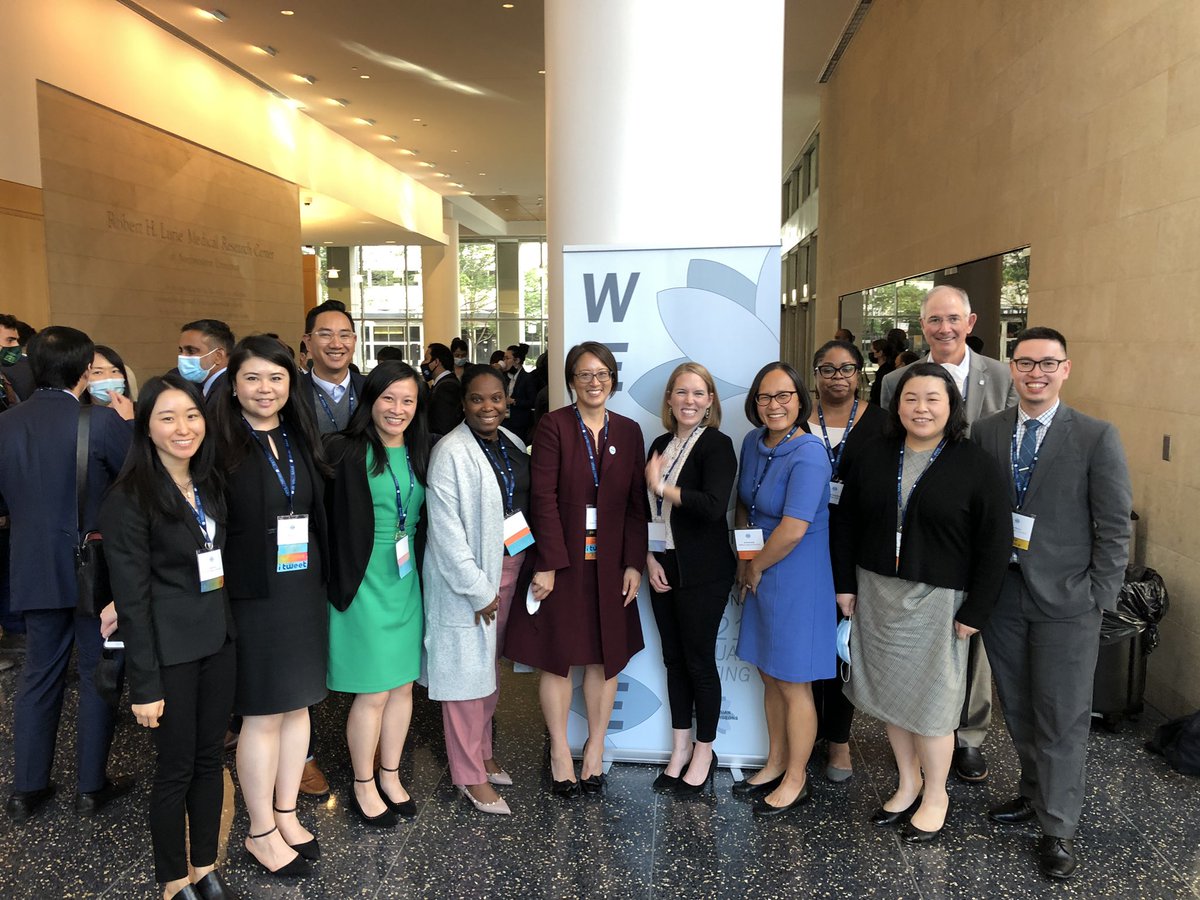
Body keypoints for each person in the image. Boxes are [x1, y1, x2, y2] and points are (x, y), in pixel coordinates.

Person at [973, 327, 1132, 880]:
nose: (1035, 373)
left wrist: (1097, 598)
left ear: (1066, 369)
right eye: (1024, 363)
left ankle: (1058, 828)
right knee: (1018, 707)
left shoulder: (1094, 435)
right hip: (1005, 597)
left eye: (1047, 363)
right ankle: (1033, 792)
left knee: (1061, 717)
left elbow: (1114, 528)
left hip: (1069, 602)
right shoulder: (987, 432)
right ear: (1010, 369)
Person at [831, 363, 1011, 843]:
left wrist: (978, 610)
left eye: (933, 398)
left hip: (940, 600)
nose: (921, 408)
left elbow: (996, 543)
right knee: (891, 696)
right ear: (898, 405)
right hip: (876, 591)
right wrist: (844, 584)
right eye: (911, 398)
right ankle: (907, 783)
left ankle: (936, 795)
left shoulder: (975, 464)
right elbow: (845, 523)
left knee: (932, 704)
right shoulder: (874, 454)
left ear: (951, 406)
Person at [100, 375, 238, 900]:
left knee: (209, 761)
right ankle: (172, 877)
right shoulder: (130, 497)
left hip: (218, 641)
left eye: (192, 415)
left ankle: (205, 866)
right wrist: (145, 683)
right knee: (175, 769)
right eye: (167, 417)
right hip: (169, 652)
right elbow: (132, 600)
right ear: (146, 427)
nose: (183, 428)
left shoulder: (209, 483)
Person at [879, 285, 1017, 783]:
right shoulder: (896, 380)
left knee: (972, 642)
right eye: (934, 319)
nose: (944, 328)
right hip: (925, 530)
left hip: (979, 515)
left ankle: (971, 736)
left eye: (953, 318)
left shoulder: (1000, 375)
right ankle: (922, 737)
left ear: (971, 320)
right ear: (923, 326)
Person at [0, 326, 134, 825]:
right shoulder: (100, 423)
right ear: (84, 373)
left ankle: (27, 788)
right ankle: (89, 788)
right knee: (98, 672)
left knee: (39, 673)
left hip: (32, 565)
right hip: (93, 570)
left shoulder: (7, 423)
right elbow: (136, 484)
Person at [505, 341, 648, 797]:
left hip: (610, 563)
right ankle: (560, 751)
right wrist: (546, 564)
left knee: (606, 660)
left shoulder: (627, 432)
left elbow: (633, 505)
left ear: (612, 379)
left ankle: (595, 749)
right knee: (559, 659)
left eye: (602, 373)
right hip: (563, 563)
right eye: (584, 374)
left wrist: (633, 562)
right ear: (571, 380)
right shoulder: (554, 426)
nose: (594, 382)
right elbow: (541, 498)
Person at [211, 335, 330, 876]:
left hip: (301, 589)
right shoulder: (218, 442)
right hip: (252, 595)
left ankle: (285, 813)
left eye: (276, 378)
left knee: (299, 706)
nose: (265, 389)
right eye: (253, 378)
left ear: (291, 382)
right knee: (261, 714)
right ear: (233, 385)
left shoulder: (299, 436)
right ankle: (259, 830)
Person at [324, 361, 430, 827]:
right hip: (362, 579)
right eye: (389, 398)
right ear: (371, 399)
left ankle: (391, 775)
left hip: (406, 581)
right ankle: (362, 784)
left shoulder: (422, 450)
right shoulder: (345, 451)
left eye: (408, 400)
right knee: (372, 692)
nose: (398, 409)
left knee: (403, 686)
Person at [423, 365, 532, 816]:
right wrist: (477, 589)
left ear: (507, 401)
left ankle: (484, 754)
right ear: (462, 403)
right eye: (476, 399)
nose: (488, 407)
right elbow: (445, 534)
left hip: (510, 567)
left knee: (488, 675)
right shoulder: (450, 451)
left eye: (496, 399)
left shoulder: (512, 442)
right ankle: (468, 775)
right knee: (466, 681)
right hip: (468, 583)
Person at [730, 362, 835, 817]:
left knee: (794, 682)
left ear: (800, 399)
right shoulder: (753, 442)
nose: (774, 405)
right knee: (769, 673)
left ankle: (797, 777)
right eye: (765, 397)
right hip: (759, 566)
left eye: (784, 396)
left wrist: (754, 569)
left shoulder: (810, 451)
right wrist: (744, 559)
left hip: (797, 575)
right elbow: (742, 505)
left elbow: (793, 529)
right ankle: (774, 762)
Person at [643, 362, 736, 795]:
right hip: (664, 566)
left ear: (711, 401)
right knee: (673, 661)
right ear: (669, 399)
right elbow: (647, 512)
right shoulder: (660, 444)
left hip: (704, 571)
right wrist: (648, 557)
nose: (690, 401)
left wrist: (663, 488)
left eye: (699, 393)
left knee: (699, 663)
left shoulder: (718, 445)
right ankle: (678, 750)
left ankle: (704, 751)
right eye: (681, 393)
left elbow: (713, 506)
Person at [805, 340, 887, 782]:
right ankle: (808, 729)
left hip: (857, 545)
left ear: (860, 373)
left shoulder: (881, 422)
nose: (837, 377)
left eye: (847, 368)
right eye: (827, 369)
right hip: (803, 542)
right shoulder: (799, 420)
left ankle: (838, 739)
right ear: (815, 374)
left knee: (843, 642)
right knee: (808, 637)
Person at [300, 300, 366, 436]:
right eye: (325, 334)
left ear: (354, 341)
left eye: (344, 335)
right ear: (308, 342)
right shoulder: (291, 392)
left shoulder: (371, 389)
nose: (336, 344)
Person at [177, 319, 234, 401]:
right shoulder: (207, 386)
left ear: (218, 356)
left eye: (191, 351)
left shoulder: (228, 392)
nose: (182, 357)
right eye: (181, 351)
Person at [422, 342, 463, 438]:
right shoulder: (442, 384)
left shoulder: (447, 388)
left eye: (426, 359)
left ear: (436, 362)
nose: (423, 363)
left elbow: (444, 427)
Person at [504, 343, 537, 443]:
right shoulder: (504, 377)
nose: (504, 362)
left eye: (507, 358)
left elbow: (532, 401)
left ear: (517, 361)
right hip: (504, 422)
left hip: (519, 424)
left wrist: (514, 401)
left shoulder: (527, 378)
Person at [85, 345, 135, 410]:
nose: (109, 378)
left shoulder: (138, 414)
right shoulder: (74, 415)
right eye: (98, 372)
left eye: (114, 371)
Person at [868, 338, 895, 408]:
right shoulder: (887, 369)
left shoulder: (883, 372)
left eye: (872, 351)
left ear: (880, 353)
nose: (870, 354)